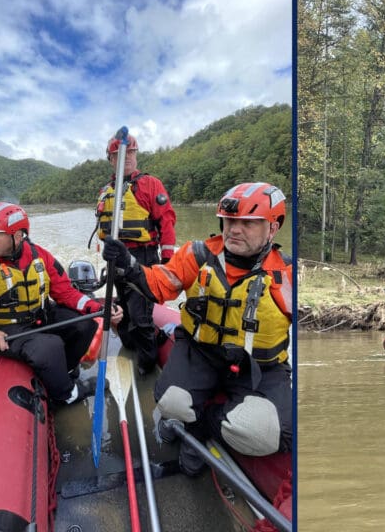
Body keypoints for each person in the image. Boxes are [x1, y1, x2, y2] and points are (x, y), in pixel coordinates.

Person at [102, 182, 292, 476]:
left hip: (260, 368)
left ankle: (201, 426)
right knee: (170, 400)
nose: (235, 230)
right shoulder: (198, 255)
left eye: (248, 223)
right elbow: (159, 283)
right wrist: (128, 263)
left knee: (271, 435)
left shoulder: (289, 275)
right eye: (230, 221)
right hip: (201, 352)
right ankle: (194, 426)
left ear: (273, 228)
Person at [0, 202, 123, 406]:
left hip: (42, 315)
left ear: (17, 236)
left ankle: (65, 371)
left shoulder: (40, 256)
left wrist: (98, 308)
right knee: (49, 347)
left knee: (85, 325)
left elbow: (66, 292)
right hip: (7, 329)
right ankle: (67, 394)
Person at [96, 128, 177, 376]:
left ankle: (146, 365)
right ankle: (130, 346)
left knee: (142, 317)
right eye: (122, 154)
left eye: (131, 152)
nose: (128, 157)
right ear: (112, 160)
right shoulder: (105, 191)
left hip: (143, 258)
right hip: (116, 259)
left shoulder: (151, 185)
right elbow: (102, 228)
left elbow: (167, 222)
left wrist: (167, 260)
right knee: (126, 310)